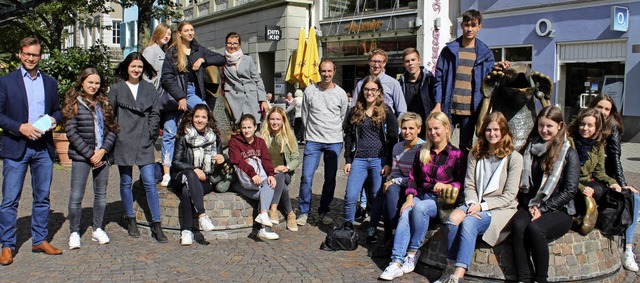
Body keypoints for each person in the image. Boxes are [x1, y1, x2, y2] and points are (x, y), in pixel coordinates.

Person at [435, 112, 523, 283]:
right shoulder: (475, 154)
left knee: (469, 222)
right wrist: (473, 203)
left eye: (496, 130)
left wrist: (482, 207)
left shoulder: (514, 158)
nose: (492, 134)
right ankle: (449, 267)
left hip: (500, 209)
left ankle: (457, 276)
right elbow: (469, 184)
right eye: (488, 130)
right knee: (452, 219)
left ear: (504, 131)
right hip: (474, 202)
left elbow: (509, 196)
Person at [379, 111, 465, 281]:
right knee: (405, 213)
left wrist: (448, 186)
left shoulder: (457, 154)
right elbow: (413, 177)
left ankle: (412, 252)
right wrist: (409, 198)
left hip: (440, 201)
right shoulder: (423, 150)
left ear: (447, 128)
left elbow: (461, 182)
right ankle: (396, 262)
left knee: (420, 207)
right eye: (430, 129)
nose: (433, 133)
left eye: (437, 129)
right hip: (420, 195)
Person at [0, 37, 63, 265]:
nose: (30, 58)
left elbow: (58, 111)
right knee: (9, 200)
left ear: (40, 56)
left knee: (42, 198)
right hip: (16, 147)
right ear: (20, 54)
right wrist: (20, 127)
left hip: (42, 149)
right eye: (26, 54)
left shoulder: (50, 83)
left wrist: (54, 120)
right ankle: (7, 245)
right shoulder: (6, 82)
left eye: (34, 54)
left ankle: (40, 239)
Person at [511, 106, 579, 283]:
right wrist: (530, 205)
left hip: (559, 208)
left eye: (549, 126)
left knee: (536, 229)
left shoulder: (568, 153)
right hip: (532, 204)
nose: (544, 130)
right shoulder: (530, 148)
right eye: (541, 125)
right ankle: (524, 276)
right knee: (518, 225)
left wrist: (544, 208)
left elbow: (570, 190)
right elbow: (523, 185)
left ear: (559, 126)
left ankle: (542, 278)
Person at [109, 52, 167, 243]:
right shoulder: (117, 88)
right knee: (125, 182)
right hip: (124, 140)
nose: (136, 70)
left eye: (140, 67)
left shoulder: (149, 88)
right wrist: (118, 133)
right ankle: (130, 218)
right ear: (127, 67)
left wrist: (150, 133)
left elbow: (155, 114)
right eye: (133, 66)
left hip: (144, 140)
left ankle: (156, 224)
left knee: (150, 182)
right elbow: (110, 115)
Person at [161, 20, 225, 187]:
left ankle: (208, 162)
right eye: (186, 30)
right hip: (176, 95)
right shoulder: (173, 52)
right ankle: (167, 173)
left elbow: (221, 58)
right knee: (169, 132)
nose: (190, 33)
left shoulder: (198, 49)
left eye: (192, 30)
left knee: (203, 118)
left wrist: (203, 60)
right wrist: (180, 96)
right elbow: (166, 78)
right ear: (179, 33)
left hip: (192, 91)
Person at [64, 68, 119, 249]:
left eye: (97, 83)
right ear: (82, 82)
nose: (94, 86)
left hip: (102, 156)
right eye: (90, 82)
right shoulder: (74, 103)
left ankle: (97, 228)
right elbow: (71, 132)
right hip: (82, 156)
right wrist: (90, 154)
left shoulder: (105, 103)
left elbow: (112, 129)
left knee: (101, 195)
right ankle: (74, 231)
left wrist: (103, 151)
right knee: (76, 195)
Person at [344, 75, 399, 243]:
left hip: (379, 160)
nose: (369, 92)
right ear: (363, 91)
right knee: (351, 195)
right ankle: (347, 227)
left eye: (373, 90)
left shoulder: (387, 111)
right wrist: (348, 159)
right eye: (366, 89)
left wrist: (389, 162)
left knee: (376, 196)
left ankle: (372, 228)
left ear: (379, 92)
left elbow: (392, 139)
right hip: (359, 159)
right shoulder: (355, 111)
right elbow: (348, 136)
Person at [432, 9, 495, 153]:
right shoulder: (449, 50)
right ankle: (442, 174)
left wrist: (500, 68)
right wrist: (438, 103)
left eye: (473, 25)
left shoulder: (485, 53)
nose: (469, 29)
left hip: (471, 109)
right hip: (449, 107)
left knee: (465, 147)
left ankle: (461, 175)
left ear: (479, 27)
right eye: (467, 25)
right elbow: (439, 79)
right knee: (442, 143)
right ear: (462, 26)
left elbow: (490, 80)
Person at [590, 94, 640, 271]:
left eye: (607, 109)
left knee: (633, 198)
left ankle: (627, 249)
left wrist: (622, 183)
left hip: (605, 178)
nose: (603, 112)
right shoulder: (586, 123)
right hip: (589, 178)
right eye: (600, 107)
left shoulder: (612, 128)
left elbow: (615, 158)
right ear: (592, 106)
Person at [297, 59, 349, 226]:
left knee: (330, 178)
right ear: (319, 72)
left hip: (334, 141)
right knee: (306, 177)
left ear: (334, 72)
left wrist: (334, 133)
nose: (326, 74)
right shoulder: (310, 91)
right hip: (313, 140)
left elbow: (343, 117)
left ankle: (324, 210)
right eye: (323, 71)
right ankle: (303, 211)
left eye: (329, 71)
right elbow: (305, 115)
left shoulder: (340, 93)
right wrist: (310, 133)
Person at [171, 104, 227, 245]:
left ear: (208, 120)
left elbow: (220, 159)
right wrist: (194, 168)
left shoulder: (214, 138)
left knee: (186, 191)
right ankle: (202, 215)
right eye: (197, 117)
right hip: (181, 176)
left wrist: (223, 159)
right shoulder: (184, 136)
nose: (200, 120)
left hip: (204, 180)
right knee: (190, 175)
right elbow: (176, 162)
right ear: (191, 118)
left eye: (203, 117)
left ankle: (186, 231)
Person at [229, 114, 280, 240]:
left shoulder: (260, 142)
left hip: (258, 181)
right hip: (241, 182)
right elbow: (238, 162)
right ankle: (265, 227)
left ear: (255, 127)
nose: (246, 130)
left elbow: (266, 160)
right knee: (267, 193)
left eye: (249, 127)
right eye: (243, 127)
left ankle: (263, 222)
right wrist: (253, 174)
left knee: (268, 187)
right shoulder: (234, 142)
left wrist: (271, 175)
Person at [381, 112, 424, 244]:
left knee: (392, 187)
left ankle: (393, 236)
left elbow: (418, 177)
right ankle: (390, 234)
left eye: (411, 128)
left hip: (417, 185)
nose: (407, 132)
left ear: (419, 129)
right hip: (401, 182)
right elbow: (395, 172)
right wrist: (391, 181)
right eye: (404, 128)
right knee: (390, 190)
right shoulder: (397, 147)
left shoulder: (423, 148)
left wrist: (394, 181)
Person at [142, 23, 173, 187]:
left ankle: (160, 171)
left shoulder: (165, 51)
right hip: (154, 100)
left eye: (169, 34)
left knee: (164, 135)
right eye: (165, 33)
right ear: (158, 33)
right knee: (151, 136)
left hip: (163, 99)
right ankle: (149, 173)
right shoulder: (150, 51)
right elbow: (147, 78)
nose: (167, 36)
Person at [259, 107, 300, 231]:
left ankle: (273, 208)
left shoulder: (289, 136)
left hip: (285, 174)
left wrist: (286, 167)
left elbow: (296, 159)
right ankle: (290, 214)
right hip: (268, 173)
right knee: (284, 189)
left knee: (280, 174)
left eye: (278, 119)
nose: (275, 122)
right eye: (272, 119)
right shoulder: (262, 136)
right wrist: (271, 170)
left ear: (283, 121)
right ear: (268, 120)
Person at [222, 32, 268, 123]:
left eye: (235, 43)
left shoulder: (248, 59)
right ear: (226, 44)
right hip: (232, 98)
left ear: (239, 45)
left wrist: (263, 100)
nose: (232, 46)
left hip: (250, 97)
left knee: (253, 125)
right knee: (236, 128)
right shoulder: (222, 61)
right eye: (229, 43)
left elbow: (258, 80)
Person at [353, 48, 406, 117]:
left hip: (387, 124)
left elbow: (402, 110)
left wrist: (397, 127)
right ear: (369, 62)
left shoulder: (393, 83)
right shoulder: (361, 84)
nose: (376, 65)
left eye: (380, 62)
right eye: (373, 61)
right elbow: (354, 107)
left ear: (384, 63)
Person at [398, 48, 434, 139]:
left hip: (426, 127)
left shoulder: (430, 80)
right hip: (407, 129)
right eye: (407, 61)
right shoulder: (400, 83)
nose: (411, 63)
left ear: (419, 61)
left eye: (413, 60)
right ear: (404, 64)